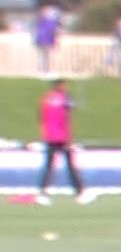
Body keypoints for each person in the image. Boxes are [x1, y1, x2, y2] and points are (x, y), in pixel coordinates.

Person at [36, 74, 95, 205]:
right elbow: (67, 118)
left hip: (49, 136)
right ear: (60, 84)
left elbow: (41, 118)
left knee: (49, 166)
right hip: (62, 137)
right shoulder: (65, 98)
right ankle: (80, 192)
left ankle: (43, 193)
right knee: (71, 165)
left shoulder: (46, 98)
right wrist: (69, 138)